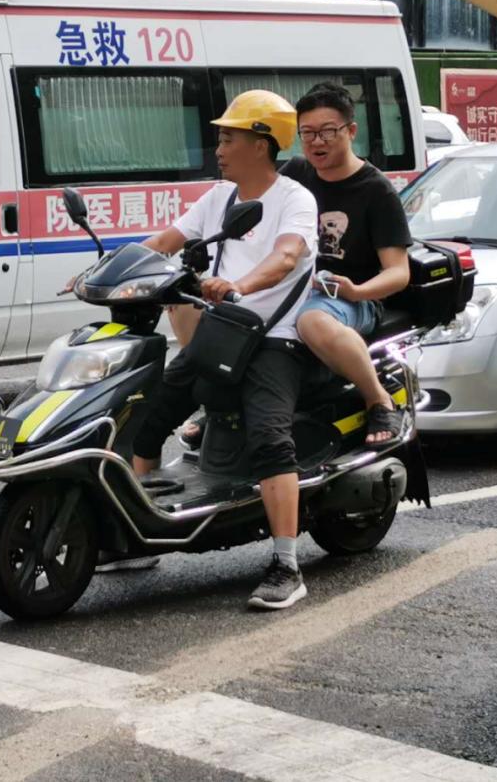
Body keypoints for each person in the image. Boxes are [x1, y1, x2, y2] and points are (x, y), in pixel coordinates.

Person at [130, 90, 318, 610]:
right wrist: (106, 273)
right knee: (147, 416)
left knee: (269, 437)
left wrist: (240, 286)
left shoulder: (294, 200)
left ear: (261, 143)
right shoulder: (219, 198)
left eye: (229, 137)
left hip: (275, 338)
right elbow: (164, 242)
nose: (220, 147)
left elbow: (285, 257)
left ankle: (286, 563)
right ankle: (142, 532)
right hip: (222, 334)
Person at [279, 83, 412, 445]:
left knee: (313, 320)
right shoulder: (295, 173)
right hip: (294, 289)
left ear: (351, 131)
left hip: (354, 300)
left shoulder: (376, 191)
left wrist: (356, 291)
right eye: (307, 133)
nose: (316, 142)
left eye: (326, 132)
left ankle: (379, 401)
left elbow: (399, 272)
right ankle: (225, 411)